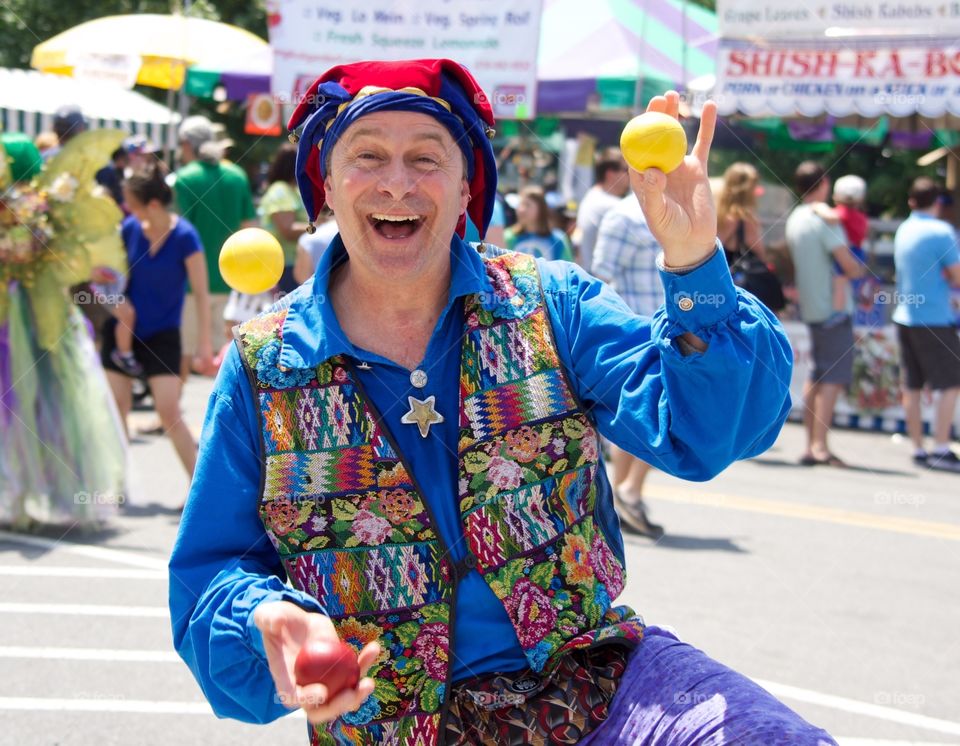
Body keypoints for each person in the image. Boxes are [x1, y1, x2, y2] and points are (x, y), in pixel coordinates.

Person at [169, 59, 833, 745]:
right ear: (328, 186)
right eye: (367, 157)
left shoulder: (552, 304)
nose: (396, 182)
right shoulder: (264, 366)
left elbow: (709, 433)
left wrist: (696, 266)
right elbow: (213, 570)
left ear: (467, 188)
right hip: (392, 730)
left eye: (426, 159)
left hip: (600, 693)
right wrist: (262, 618)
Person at [1, 131, 126, 529]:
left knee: (26, 407)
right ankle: (30, 495)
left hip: (30, 319)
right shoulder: (45, 207)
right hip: (40, 319)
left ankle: (23, 496)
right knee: (47, 405)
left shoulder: (35, 208)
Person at [102, 162, 211, 478]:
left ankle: (198, 490)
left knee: (169, 413)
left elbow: (201, 293)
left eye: (132, 205)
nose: (128, 211)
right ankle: (118, 485)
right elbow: (110, 274)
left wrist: (204, 342)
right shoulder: (129, 229)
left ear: (152, 204)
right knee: (117, 408)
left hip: (163, 335)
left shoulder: (185, 237)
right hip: (122, 330)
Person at [591, 196, 666, 539]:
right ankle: (625, 494)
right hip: (636, 332)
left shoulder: (673, 207)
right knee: (643, 416)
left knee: (654, 416)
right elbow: (600, 279)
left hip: (668, 330)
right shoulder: (622, 216)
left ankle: (624, 495)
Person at [786, 161, 866, 467]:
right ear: (823, 183)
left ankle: (811, 444)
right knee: (832, 378)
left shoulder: (795, 218)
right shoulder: (825, 219)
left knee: (817, 374)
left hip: (811, 307)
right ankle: (820, 446)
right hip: (833, 307)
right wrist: (859, 269)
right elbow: (849, 265)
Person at [173, 115, 258, 374]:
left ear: (186, 144)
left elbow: (177, 233)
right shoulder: (237, 176)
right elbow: (250, 229)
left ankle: (174, 401)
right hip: (232, 281)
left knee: (184, 354)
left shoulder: (184, 178)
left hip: (189, 283)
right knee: (227, 359)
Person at [892, 177, 960, 472]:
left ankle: (918, 447)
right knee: (951, 383)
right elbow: (957, 275)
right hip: (934, 317)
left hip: (905, 315)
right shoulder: (941, 231)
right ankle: (941, 448)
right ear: (938, 203)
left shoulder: (903, 229)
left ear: (911, 201)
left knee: (913, 385)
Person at [716, 162, 785, 312]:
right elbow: (760, 253)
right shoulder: (745, 219)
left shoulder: (718, 215)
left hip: (721, 284)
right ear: (747, 190)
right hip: (742, 288)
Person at [260, 143, 311, 294]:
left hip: (292, 265)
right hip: (285, 267)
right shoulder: (280, 191)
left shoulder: (290, 190)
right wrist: (320, 228)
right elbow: (287, 230)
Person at [575, 148, 629, 271]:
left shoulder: (593, 196)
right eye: (626, 170)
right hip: (598, 278)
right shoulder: (609, 205)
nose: (630, 176)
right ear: (610, 174)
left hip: (591, 275)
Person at [504, 185, 574, 261]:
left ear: (541, 209)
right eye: (520, 204)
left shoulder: (558, 239)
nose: (521, 209)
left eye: (527, 205)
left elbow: (567, 266)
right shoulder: (509, 237)